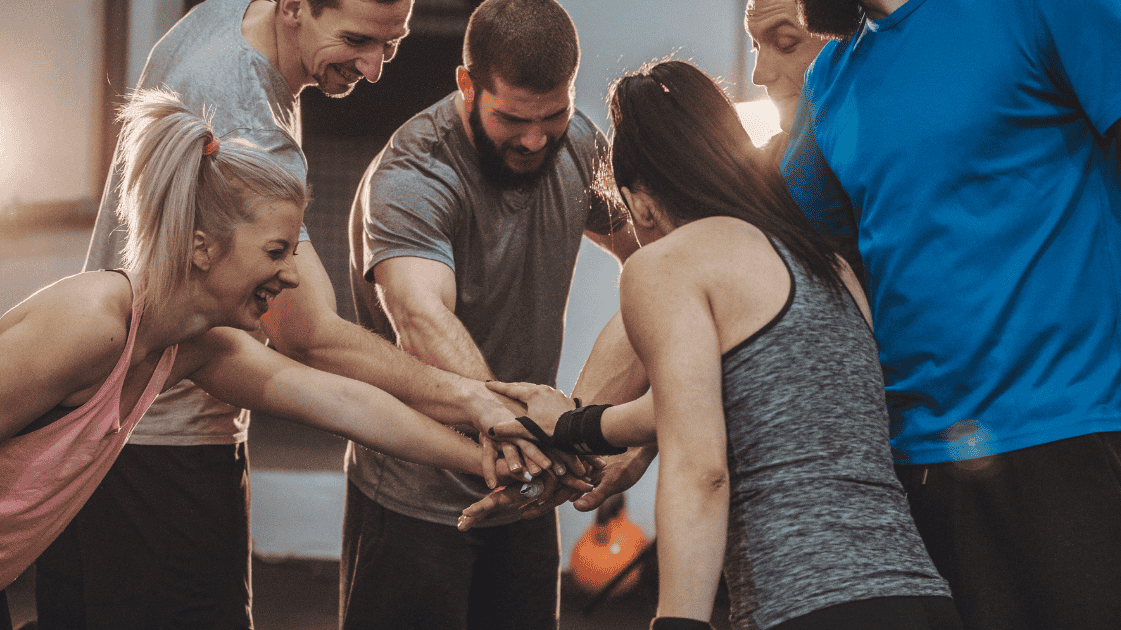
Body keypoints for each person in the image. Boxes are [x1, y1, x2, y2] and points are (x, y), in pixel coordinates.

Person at [36, 1, 548, 628]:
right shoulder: (238, 111)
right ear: (294, 8)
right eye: (358, 39)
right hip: (156, 459)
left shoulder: (201, 348)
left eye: (392, 44)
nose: (376, 68)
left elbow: (331, 398)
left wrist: (483, 443)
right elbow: (309, 339)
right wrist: (482, 403)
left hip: (139, 434)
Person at [468, 59, 959, 630]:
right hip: (919, 597)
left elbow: (701, 468)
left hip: (808, 605)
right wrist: (571, 424)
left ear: (642, 203)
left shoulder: (668, 264)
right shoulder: (831, 266)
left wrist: (677, 623)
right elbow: (722, 403)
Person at [780, 0, 1121, 628]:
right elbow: (761, 252)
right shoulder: (831, 77)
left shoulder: (1037, 10)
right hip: (924, 466)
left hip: (1072, 428)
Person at [343, 0, 639, 626]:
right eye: (511, 118)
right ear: (466, 86)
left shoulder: (580, 144)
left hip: (529, 491)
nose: (535, 138)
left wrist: (592, 425)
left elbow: (655, 262)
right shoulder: (414, 172)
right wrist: (535, 438)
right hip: (415, 497)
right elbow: (422, 320)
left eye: (552, 113)